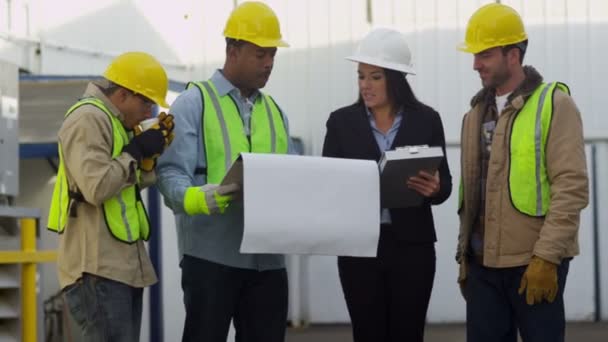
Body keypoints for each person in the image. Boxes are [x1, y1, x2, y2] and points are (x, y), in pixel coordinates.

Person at [155, 2, 294, 341]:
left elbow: (289, 179)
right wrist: (200, 198)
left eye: (273, 54)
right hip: (210, 258)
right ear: (232, 50)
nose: (269, 63)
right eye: (260, 53)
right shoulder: (193, 103)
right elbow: (170, 175)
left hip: (268, 261)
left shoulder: (276, 113)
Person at [456, 3, 589, 342]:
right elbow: (472, 193)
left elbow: (571, 188)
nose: (475, 64)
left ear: (512, 55)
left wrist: (546, 257)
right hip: (482, 265)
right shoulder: (473, 116)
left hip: (534, 264)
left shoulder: (554, 104)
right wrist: (465, 258)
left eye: (484, 54)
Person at [322, 28, 452, 342]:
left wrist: (435, 189)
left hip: (412, 249)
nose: (365, 85)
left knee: (408, 334)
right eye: (361, 76)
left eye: (375, 77)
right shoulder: (340, 123)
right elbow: (327, 185)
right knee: (367, 334)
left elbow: (445, 184)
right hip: (360, 250)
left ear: (395, 79)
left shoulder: (427, 120)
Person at [47, 51, 175, 341]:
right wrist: (136, 150)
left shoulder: (115, 123)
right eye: (145, 101)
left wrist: (146, 160)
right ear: (121, 94)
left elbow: (120, 188)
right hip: (98, 271)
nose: (149, 112)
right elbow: (97, 187)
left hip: (118, 268)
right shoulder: (88, 118)